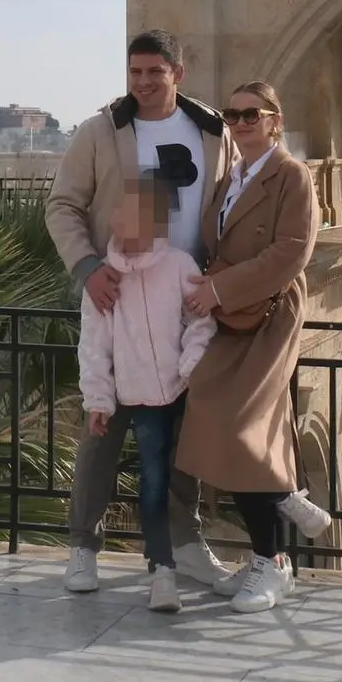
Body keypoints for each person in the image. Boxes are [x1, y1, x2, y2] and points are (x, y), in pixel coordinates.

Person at [47, 29, 233, 593]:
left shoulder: (212, 133)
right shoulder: (100, 131)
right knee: (102, 427)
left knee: (180, 433)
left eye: (155, 72)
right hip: (117, 294)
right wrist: (88, 269)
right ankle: (83, 546)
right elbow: (62, 206)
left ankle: (184, 545)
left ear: (178, 72)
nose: (144, 83)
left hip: (183, 301)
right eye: (135, 73)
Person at [176, 80, 330, 614]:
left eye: (251, 114)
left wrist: (218, 287)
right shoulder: (231, 177)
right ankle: (284, 500)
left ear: (274, 120)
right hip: (227, 315)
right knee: (216, 416)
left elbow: (293, 251)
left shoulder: (292, 175)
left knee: (243, 430)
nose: (240, 123)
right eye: (232, 114)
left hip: (267, 314)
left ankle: (272, 561)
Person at [79, 173, 216, 613]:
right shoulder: (105, 276)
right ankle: (84, 549)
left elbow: (200, 322)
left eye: (134, 212)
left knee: (159, 483)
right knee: (104, 464)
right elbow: (94, 344)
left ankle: (163, 569)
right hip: (124, 393)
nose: (122, 219)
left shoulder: (179, 266)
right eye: (119, 210)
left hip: (169, 396)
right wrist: (98, 399)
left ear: (157, 222)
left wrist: (189, 366)